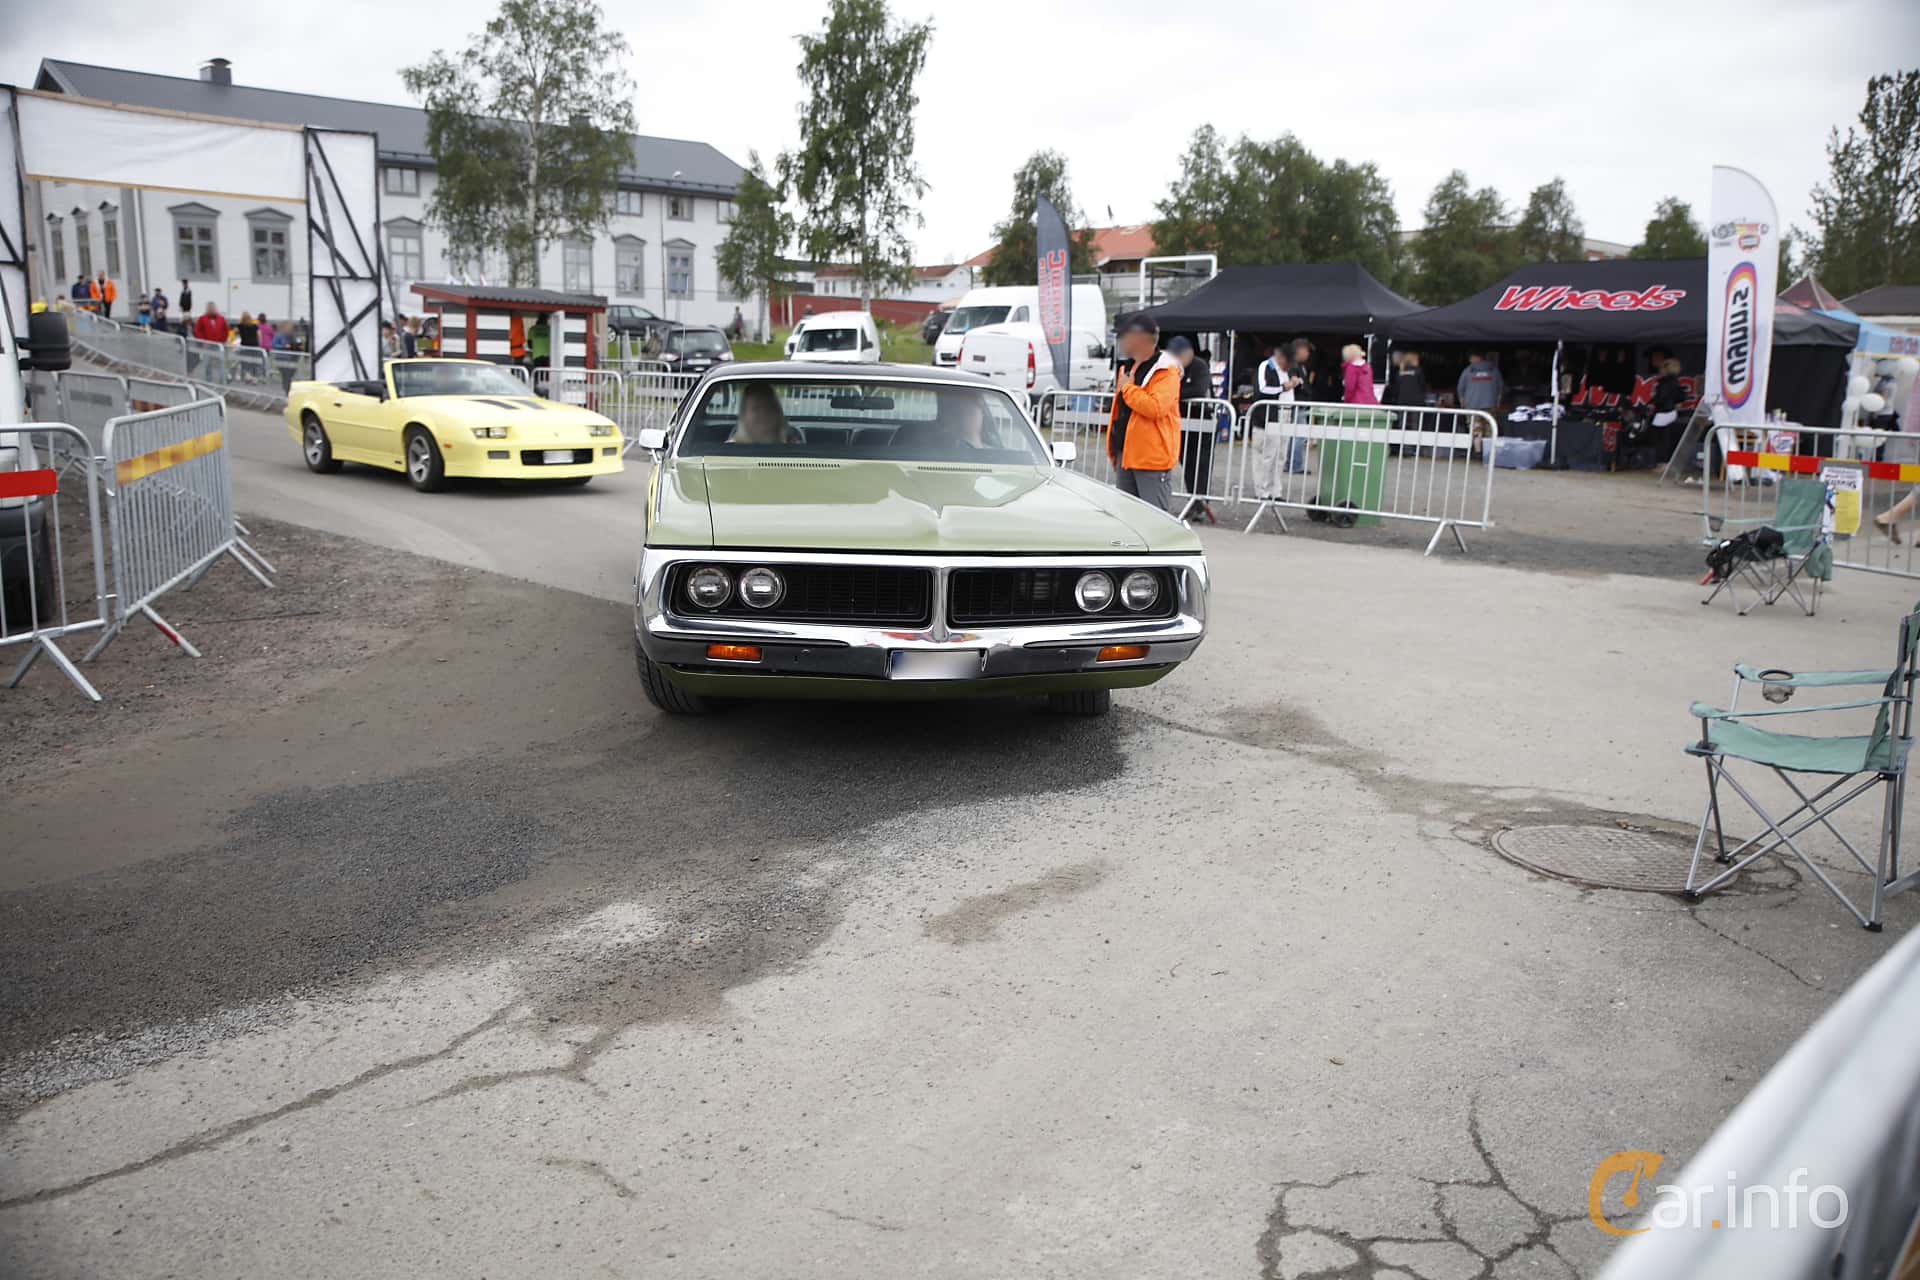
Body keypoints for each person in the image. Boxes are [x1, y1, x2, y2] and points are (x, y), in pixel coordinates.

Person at [1104, 312, 1182, 512]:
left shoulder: (1165, 370)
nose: (1120, 341)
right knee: (1128, 520)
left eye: (1123, 336)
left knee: (1154, 520)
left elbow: (1156, 408)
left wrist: (1128, 389)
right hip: (1127, 455)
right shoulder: (1127, 369)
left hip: (1151, 459)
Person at [1168, 336, 1215, 522]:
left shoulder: (1199, 366)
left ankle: (1201, 503)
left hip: (1202, 423)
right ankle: (1193, 502)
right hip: (1182, 422)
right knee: (1187, 464)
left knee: (1201, 465)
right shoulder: (1173, 368)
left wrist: (1173, 393)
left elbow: (1198, 389)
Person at [1252, 347, 1301, 499]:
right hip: (1269, 415)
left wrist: (1296, 382)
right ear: (1280, 358)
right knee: (1267, 455)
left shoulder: (1289, 369)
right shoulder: (1265, 366)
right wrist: (1282, 387)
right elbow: (1262, 389)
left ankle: (1276, 490)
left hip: (1286, 413)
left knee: (1281, 455)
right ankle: (1262, 490)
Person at [727, 382, 801, 445]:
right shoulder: (727, 451)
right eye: (756, 408)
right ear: (744, 415)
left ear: (777, 413)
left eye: (768, 407)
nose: (763, 414)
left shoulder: (794, 447)